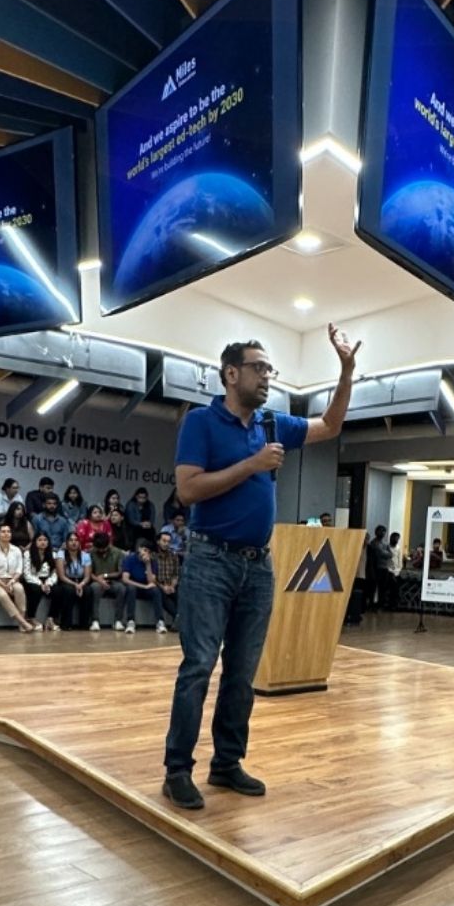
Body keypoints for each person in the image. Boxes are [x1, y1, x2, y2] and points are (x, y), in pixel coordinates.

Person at [162, 325, 359, 811]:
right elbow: (187, 490)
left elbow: (330, 425)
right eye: (259, 368)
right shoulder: (201, 423)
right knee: (198, 666)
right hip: (210, 559)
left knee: (242, 671)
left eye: (271, 369)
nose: (268, 376)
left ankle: (226, 763)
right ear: (231, 374)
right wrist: (251, 465)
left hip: (258, 566)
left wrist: (347, 371)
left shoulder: (273, 424)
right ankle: (177, 770)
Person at [0, 522, 37, 631]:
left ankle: (22, 624)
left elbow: (18, 570)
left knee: (19, 589)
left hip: (11, 580)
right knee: (2, 594)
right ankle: (23, 622)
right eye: (3, 532)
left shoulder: (16, 550)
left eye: (8, 531)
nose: (6, 534)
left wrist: (12, 581)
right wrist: (4, 586)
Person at [118, 542, 169, 635]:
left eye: (148, 551)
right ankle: (130, 621)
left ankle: (160, 621)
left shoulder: (152, 561)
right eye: (144, 550)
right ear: (139, 549)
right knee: (131, 589)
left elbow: (151, 582)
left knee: (156, 590)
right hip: (134, 585)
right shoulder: (130, 559)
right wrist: (144, 586)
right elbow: (125, 579)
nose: (145, 553)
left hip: (146, 587)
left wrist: (148, 564)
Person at [52, 534, 97, 630]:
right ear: (66, 543)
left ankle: (84, 624)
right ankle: (66, 624)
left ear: (79, 543)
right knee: (69, 590)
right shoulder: (61, 554)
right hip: (66, 580)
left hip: (82, 581)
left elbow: (87, 576)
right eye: (71, 540)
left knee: (88, 591)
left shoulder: (85, 555)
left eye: (76, 540)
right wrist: (75, 585)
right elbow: (61, 576)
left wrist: (81, 584)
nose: (74, 542)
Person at [87, 530, 124, 630]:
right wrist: (99, 581)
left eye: (104, 548)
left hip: (113, 580)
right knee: (94, 588)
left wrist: (105, 576)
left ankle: (118, 621)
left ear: (108, 544)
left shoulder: (118, 553)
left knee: (121, 588)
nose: (101, 551)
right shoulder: (90, 553)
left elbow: (119, 572)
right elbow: (89, 573)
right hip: (96, 581)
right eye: (99, 549)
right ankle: (95, 620)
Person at [22, 533, 60, 630]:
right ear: (35, 542)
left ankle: (50, 619)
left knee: (58, 590)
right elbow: (27, 574)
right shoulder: (28, 554)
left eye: (45, 540)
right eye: (40, 540)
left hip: (47, 580)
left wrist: (48, 583)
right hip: (32, 580)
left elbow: (54, 574)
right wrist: (40, 584)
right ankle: (31, 617)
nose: (43, 542)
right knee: (36, 590)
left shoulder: (53, 554)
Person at [365, 526, 396, 612]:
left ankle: (380, 605)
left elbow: (390, 554)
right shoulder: (373, 543)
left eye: (384, 531)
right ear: (376, 532)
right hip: (376, 568)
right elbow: (380, 553)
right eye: (380, 531)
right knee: (373, 587)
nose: (382, 533)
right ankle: (371, 605)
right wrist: (385, 553)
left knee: (383, 588)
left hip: (384, 568)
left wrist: (385, 553)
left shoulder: (385, 543)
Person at [154, 530, 182, 625]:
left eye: (168, 542)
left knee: (180, 592)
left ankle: (179, 618)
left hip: (171, 584)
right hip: (158, 584)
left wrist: (172, 586)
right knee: (160, 593)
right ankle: (177, 617)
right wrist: (163, 587)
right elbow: (152, 577)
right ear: (158, 541)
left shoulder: (173, 556)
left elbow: (176, 574)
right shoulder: (153, 556)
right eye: (164, 541)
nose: (166, 544)